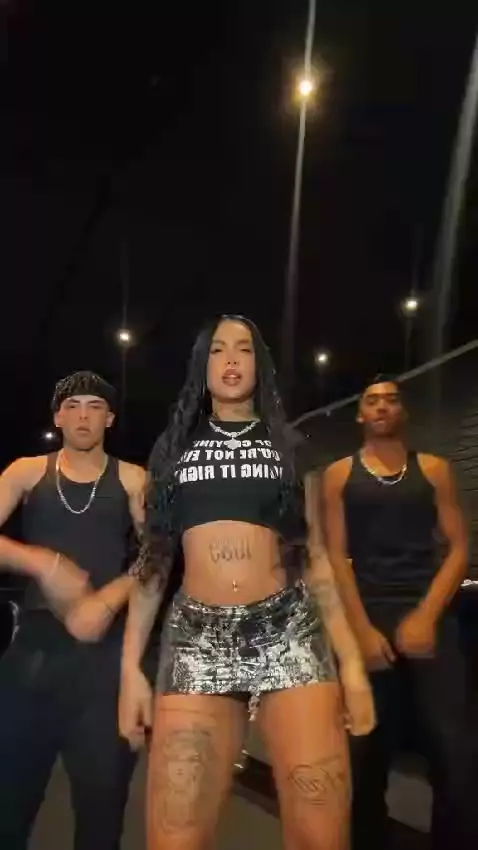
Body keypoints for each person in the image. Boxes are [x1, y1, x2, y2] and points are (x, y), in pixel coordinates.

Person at [119, 314, 375, 850]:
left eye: (244, 349)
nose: (231, 359)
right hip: (197, 637)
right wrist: (130, 672)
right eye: (218, 349)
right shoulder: (173, 449)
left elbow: (317, 559)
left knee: (322, 834)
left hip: (288, 629)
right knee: (173, 836)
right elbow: (154, 562)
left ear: (261, 364)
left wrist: (351, 664)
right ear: (201, 365)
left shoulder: (290, 447)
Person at [322, 375, 475, 850]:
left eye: (391, 400)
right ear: (360, 414)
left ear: (402, 411)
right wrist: (362, 632)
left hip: (430, 614)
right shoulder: (339, 475)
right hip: (368, 614)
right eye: (373, 400)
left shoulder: (434, 469)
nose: (382, 406)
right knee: (365, 753)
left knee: (455, 752)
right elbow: (335, 557)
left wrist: (427, 615)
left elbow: (459, 548)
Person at [0, 371, 146, 850]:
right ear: (58, 417)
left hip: (103, 658)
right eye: (73, 406)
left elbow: (159, 556)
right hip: (33, 655)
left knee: (101, 815)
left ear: (110, 418)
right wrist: (40, 562)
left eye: (94, 407)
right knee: (8, 806)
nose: (84, 416)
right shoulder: (27, 471)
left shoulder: (133, 478)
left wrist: (108, 598)